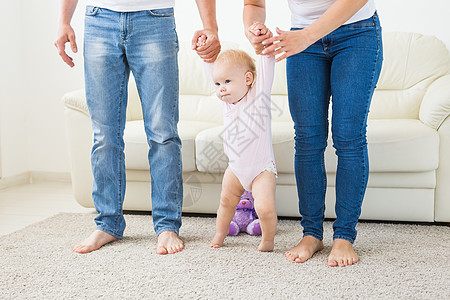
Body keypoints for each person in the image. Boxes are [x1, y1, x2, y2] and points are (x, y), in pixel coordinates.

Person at [55, 0, 220, 254]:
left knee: (163, 134)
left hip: (154, 18)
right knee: (104, 135)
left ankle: (167, 226)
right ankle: (107, 223)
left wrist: (211, 26)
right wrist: (64, 21)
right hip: (100, 18)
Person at [243, 0, 383, 266]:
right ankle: (311, 234)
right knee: (308, 139)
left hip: (357, 32)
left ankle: (344, 236)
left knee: (348, 136)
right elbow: (253, 3)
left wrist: (306, 37)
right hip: (300, 39)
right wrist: (253, 29)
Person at [195, 23, 278, 252]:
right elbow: (212, 69)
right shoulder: (227, 104)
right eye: (218, 84)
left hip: (262, 169)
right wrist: (204, 49)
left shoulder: (258, 96)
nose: (221, 88)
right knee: (225, 202)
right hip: (236, 169)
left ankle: (268, 240)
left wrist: (263, 44)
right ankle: (220, 234)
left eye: (228, 82)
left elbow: (266, 64)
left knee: (265, 207)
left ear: (248, 79)